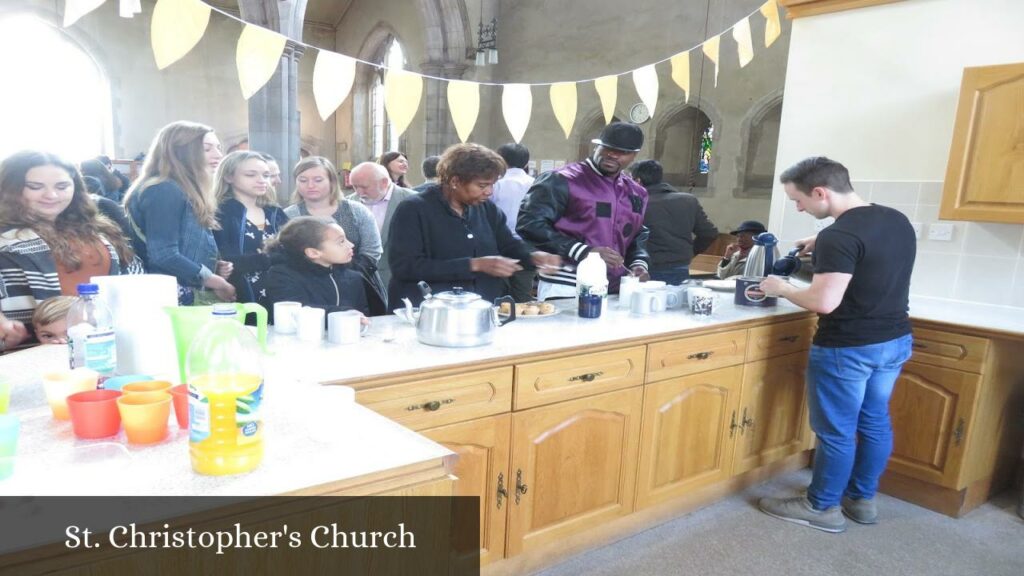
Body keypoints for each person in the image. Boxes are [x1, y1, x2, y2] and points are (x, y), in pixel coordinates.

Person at [756, 157, 916, 533]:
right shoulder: (895, 218)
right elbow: (867, 261)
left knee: (837, 431)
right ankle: (861, 501)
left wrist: (783, 288)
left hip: (848, 348)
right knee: (874, 421)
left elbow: (823, 302)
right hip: (893, 340)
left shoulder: (839, 237)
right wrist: (823, 243)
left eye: (799, 200)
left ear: (820, 192)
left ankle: (821, 506)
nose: (799, 208)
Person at [387, 143, 561, 309]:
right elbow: (405, 266)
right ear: (455, 181)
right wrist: (474, 265)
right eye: (482, 185)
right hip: (428, 312)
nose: (489, 192)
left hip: (480, 309)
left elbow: (508, 245)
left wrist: (533, 256)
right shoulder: (414, 209)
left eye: (492, 185)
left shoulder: (487, 209)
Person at [0, 151, 141, 350]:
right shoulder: (6, 239)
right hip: (34, 353)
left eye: (62, 186)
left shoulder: (98, 228)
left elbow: (131, 275)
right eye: (35, 187)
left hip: (106, 346)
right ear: (10, 189)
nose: (51, 195)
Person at [517, 122, 650, 300]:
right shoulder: (561, 179)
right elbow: (529, 224)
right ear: (597, 146)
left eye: (623, 152)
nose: (613, 155)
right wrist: (584, 251)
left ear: (634, 155)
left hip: (616, 287)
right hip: (567, 283)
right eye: (608, 148)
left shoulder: (637, 192)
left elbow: (638, 233)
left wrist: (639, 263)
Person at [124, 121, 235, 305]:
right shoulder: (163, 189)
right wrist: (216, 282)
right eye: (207, 149)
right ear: (180, 152)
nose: (219, 155)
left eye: (218, 147)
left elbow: (184, 246)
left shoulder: (180, 188)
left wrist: (212, 264)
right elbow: (164, 255)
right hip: (174, 296)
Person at [285, 156, 386, 313]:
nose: (310, 185)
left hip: (358, 284)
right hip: (309, 288)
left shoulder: (356, 211)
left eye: (318, 180)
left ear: (331, 181)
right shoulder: (289, 215)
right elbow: (287, 254)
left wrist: (344, 273)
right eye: (303, 180)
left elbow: (372, 251)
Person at [213, 151, 289, 309]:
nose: (261, 180)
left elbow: (294, 250)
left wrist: (258, 259)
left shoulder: (275, 211)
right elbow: (228, 261)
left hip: (282, 291)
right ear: (228, 177)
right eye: (250, 175)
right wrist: (270, 258)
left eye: (266, 175)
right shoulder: (221, 213)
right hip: (240, 296)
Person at [631, 159, 718, 285]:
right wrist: (691, 251)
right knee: (677, 303)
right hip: (680, 266)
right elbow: (709, 233)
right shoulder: (688, 201)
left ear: (637, 181)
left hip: (645, 269)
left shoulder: (637, 204)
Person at [264, 216, 369, 320]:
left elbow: (363, 316)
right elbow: (296, 314)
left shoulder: (353, 277)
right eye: (341, 242)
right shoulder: (282, 276)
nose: (351, 245)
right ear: (313, 253)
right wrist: (344, 314)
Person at [348, 162, 415, 289]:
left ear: (384, 182)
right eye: (355, 187)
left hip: (399, 281)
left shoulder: (412, 201)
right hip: (359, 281)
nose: (359, 192)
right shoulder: (348, 203)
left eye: (364, 187)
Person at [491, 143, 537, 302]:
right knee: (523, 293)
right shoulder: (536, 183)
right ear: (526, 163)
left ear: (500, 160)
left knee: (498, 294)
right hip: (528, 245)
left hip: (498, 246)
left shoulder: (495, 184)